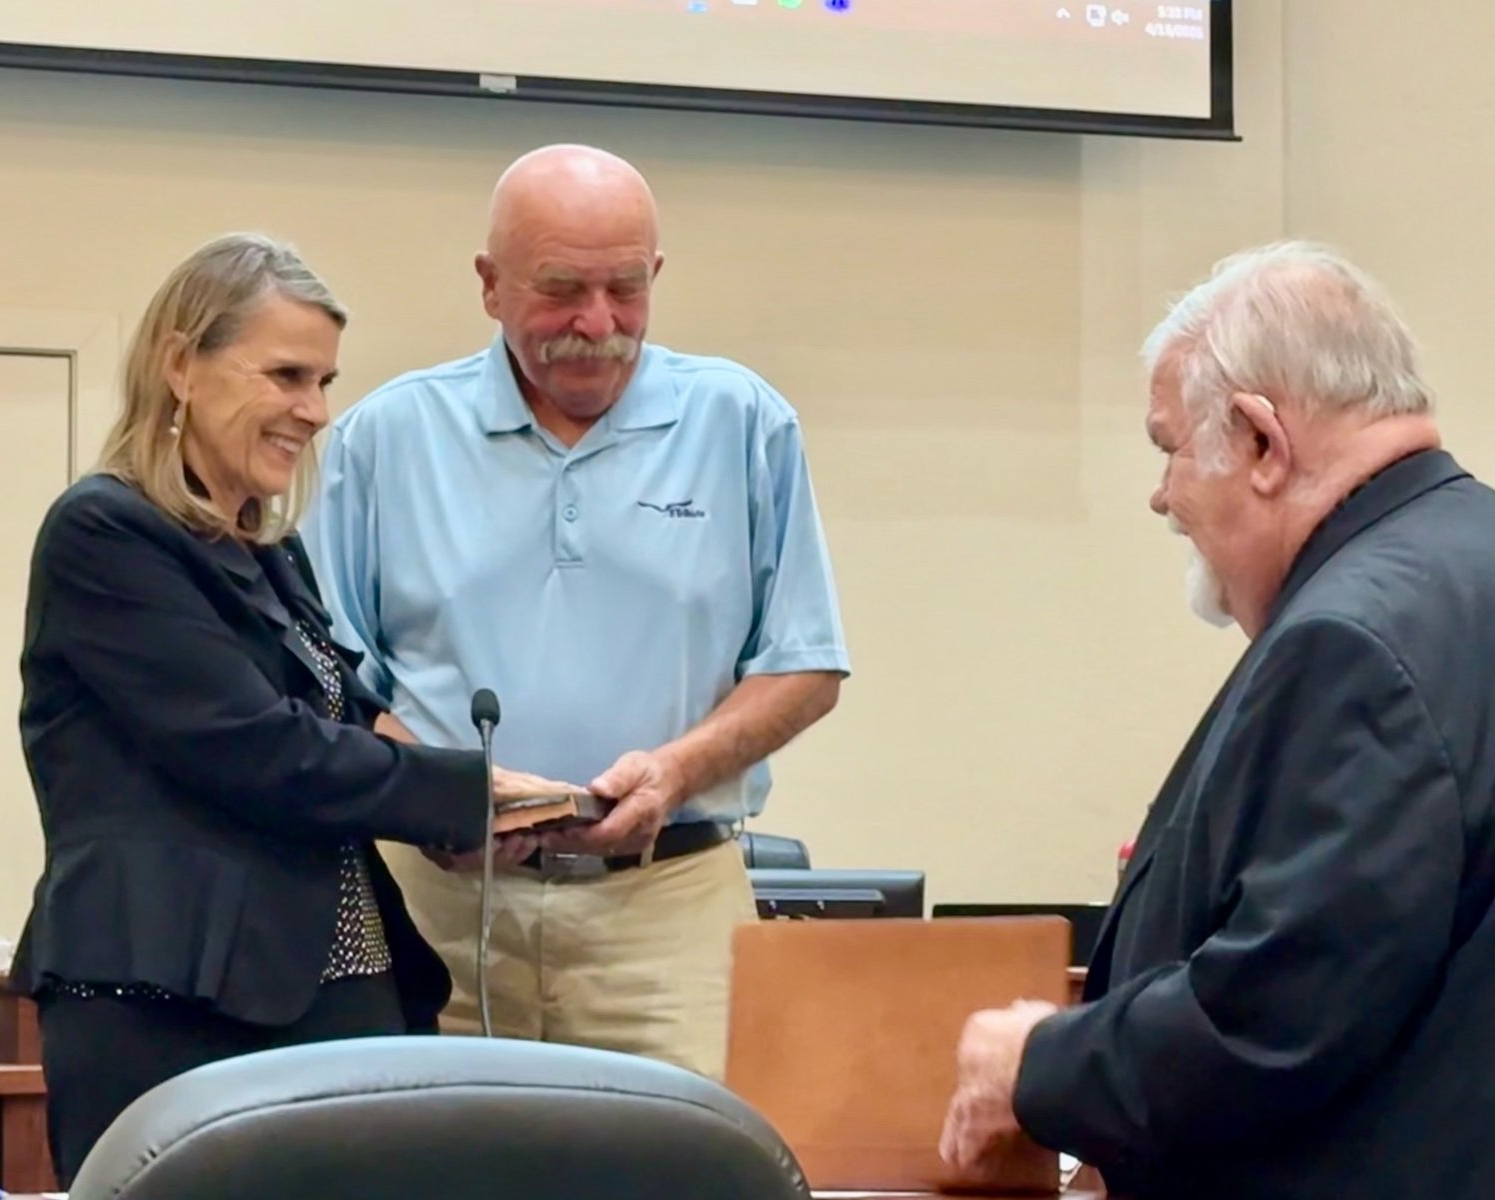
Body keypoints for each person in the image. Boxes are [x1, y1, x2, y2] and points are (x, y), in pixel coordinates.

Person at [8, 232, 570, 1186]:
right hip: (172, 1000)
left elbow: (343, 718)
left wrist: (490, 811)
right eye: (287, 376)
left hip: (335, 987)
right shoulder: (106, 532)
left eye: (325, 381)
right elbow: (257, 749)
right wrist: (461, 794)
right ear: (180, 365)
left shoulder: (268, 550)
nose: (315, 411)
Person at [938, 241, 1495, 1200]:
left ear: (1262, 443)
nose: (1163, 496)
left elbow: (1277, 1021)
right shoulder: (1466, 560)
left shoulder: (1350, 644)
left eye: (1171, 448)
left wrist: (1039, 1064)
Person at [302, 144, 849, 1079]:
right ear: (490, 285)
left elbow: (805, 667)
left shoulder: (742, 423)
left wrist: (674, 773)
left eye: (625, 289)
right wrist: (445, 798)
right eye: (560, 290)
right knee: (420, 1153)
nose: (597, 325)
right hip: (437, 910)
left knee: (689, 1156)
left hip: (669, 912)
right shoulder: (385, 440)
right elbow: (324, 683)